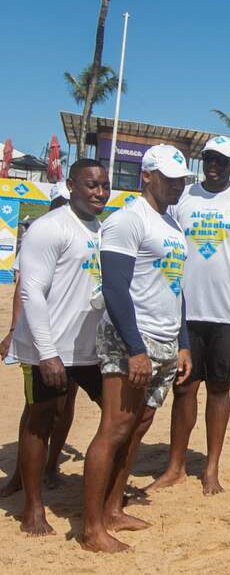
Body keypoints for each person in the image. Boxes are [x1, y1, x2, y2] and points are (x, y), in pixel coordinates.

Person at [81, 144, 192, 553]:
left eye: (181, 179)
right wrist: (135, 348)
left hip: (164, 340)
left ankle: (112, 509)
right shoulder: (128, 220)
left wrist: (182, 344)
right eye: (169, 178)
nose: (177, 185)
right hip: (132, 339)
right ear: (147, 176)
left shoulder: (173, 225)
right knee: (114, 428)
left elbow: (177, 288)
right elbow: (114, 287)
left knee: (137, 428)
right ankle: (92, 529)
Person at [146, 135, 230, 496]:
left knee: (220, 388)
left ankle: (211, 467)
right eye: (207, 159)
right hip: (184, 310)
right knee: (183, 388)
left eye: (220, 159)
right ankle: (175, 466)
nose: (212, 165)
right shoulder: (182, 197)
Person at [7, 161, 109, 534]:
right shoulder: (49, 228)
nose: (99, 192)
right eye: (91, 185)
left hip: (89, 349)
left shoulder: (101, 230)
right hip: (47, 348)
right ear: (71, 185)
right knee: (40, 421)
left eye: (104, 186)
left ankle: (104, 499)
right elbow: (31, 290)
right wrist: (47, 352)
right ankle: (33, 508)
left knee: (118, 413)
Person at [0, 183, 76, 499]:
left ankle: (51, 464)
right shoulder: (40, 233)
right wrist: (14, 330)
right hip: (38, 339)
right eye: (60, 201)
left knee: (66, 404)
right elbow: (23, 289)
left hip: (73, 338)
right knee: (37, 407)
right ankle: (20, 474)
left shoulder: (84, 232)